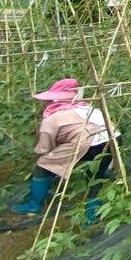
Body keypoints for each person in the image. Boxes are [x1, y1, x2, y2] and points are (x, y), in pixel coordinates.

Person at [12, 78, 119, 225]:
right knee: (95, 176)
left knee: (43, 166)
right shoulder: (90, 108)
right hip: (114, 138)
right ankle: (91, 214)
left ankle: (33, 204)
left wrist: (48, 157)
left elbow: (44, 147)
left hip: (87, 143)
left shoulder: (52, 118)